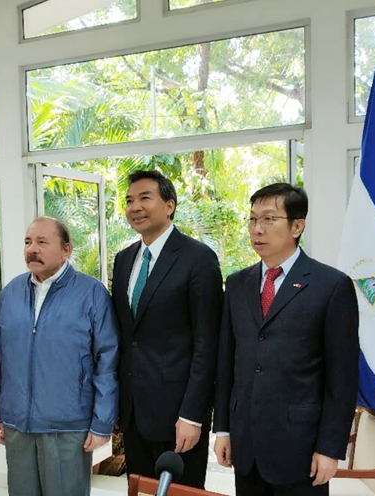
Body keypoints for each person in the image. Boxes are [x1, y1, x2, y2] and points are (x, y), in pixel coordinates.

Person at [213, 183, 359, 496]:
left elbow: (342, 378)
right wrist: (223, 428)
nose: (257, 229)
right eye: (252, 220)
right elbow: (227, 364)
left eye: (268, 219)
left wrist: (330, 448)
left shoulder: (331, 286)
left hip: (302, 449)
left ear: (297, 226)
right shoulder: (237, 284)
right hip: (246, 445)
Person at [0, 216, 119, 496]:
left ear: (66, 250)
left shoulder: (91, 294)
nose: (32, 249)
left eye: (42, 242)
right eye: (28, 242)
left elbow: (107, 362)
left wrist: (102, 423)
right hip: (17, 425)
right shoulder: (10, 294)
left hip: (68, 426)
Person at [111, 170, 223, 488]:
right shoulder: (124, 260)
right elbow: (126, 337)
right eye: (130, 200)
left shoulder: (198, 259)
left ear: (170, 205)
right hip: (134, 414)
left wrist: (193, 414)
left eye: (145, 198)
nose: (135, 207)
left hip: (178, 416)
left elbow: (207, 344)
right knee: (142, 491)